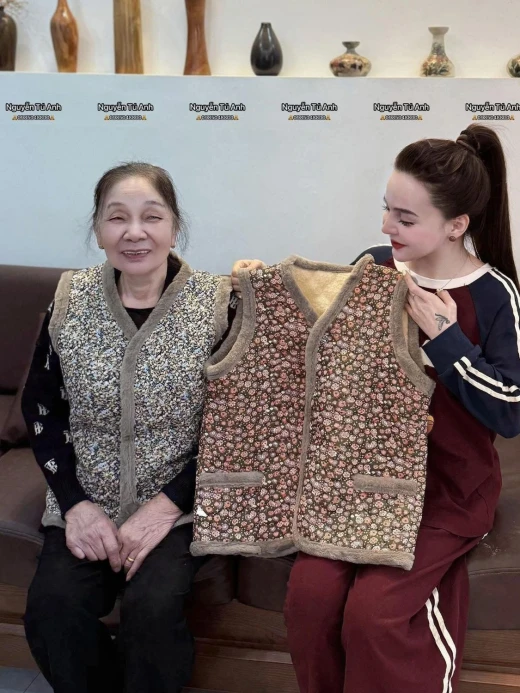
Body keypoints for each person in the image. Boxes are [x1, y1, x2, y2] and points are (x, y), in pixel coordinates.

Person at [233, 124, 520, 693]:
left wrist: (447, 340)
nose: (387, 226)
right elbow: (318, 348)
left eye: (405, 219)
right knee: (309, 600)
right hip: (358, 481)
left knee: (373, 616)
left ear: (456, 225)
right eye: (386, 209)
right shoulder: (371, 266)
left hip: (446, 493)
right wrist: (258, 291)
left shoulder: (495, 294)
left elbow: (509, 412)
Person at [21, 162, 261, 693]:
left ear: (174, 227)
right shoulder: (70, 298)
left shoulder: (219, 304)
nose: (134, 233)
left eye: (151, 217)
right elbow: (40, 409)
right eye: (117, 218)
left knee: (152, 610)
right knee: (52, 609)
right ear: (98, 229)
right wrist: (75, 504)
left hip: (180, 506)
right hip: (86, 499)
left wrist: (168, 505)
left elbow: (238, 424)